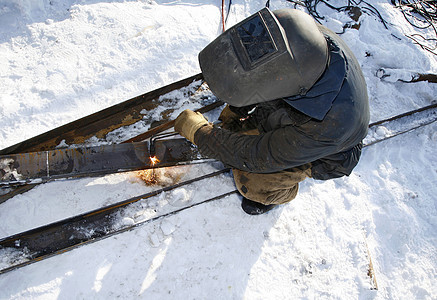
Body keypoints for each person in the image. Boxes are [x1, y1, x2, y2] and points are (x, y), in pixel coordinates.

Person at [174, 8, 370, 215]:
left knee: (254, 182)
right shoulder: (301, 38)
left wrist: (199, 133)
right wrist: (239, 106)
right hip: (300, 108)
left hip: (325, 153)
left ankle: (274, 194)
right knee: (234, 119)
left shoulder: (327, 126)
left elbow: (255, 155)